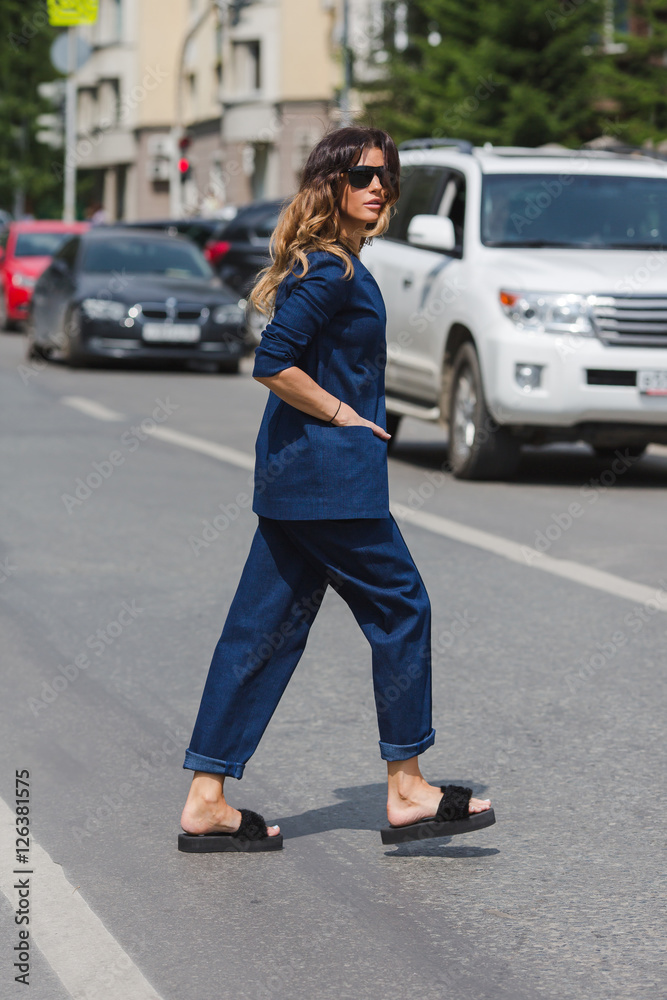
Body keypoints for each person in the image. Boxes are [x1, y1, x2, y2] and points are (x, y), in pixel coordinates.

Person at [178, 126, 494, 853]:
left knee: (259, 634)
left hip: (297, 480)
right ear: (331, 186)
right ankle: (408, 786)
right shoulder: (333, 272)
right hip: (330, 482)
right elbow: (272, 360)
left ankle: (206, 798)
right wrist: (341, 412)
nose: (378, 186)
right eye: (362, 176)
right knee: (402, 609)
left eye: (386, 175)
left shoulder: (331, 263)